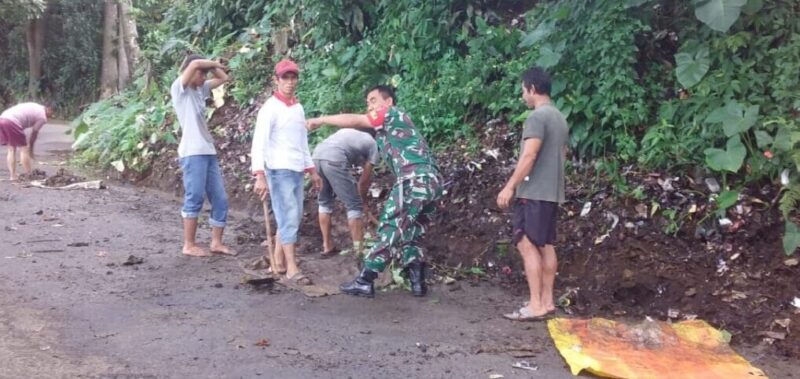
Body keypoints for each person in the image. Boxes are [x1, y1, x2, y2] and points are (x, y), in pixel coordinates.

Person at [307, 85, 443, 298]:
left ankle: (365, 280)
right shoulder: (386, 134)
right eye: (368, 102)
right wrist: (364, 203)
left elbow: (357, 120)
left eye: (373, 100)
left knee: (390, 228)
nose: (369, 106)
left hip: (414, 179)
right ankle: (418, 282)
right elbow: (365, 179)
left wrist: (321, 119)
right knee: (412, 231)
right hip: (432, 182)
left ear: (388, 102)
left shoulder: (392, 113)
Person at [496, 67, 569, 321]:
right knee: (545, 245)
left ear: (532, 88)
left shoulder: (537, 117)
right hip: (552, 192)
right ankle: (547, 301)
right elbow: (562, 154)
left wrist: (510, 186)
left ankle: (536, 304)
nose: (522, 96)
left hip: (534, 192)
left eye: (523, 90)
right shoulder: (559, 117)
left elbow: (530, 155)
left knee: (526, 243)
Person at [251, 59, 317, 284]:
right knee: (288, 216)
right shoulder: (269, 109)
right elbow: (259, 144)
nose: (290, 82)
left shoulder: (298, 108)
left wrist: (312, 170)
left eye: (293, 77)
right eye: (285, 78)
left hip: (296, 169)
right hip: (278, 170)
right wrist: (260, 175)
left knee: (292, 217)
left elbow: (302, 142)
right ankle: (292, 268)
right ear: (276, 80)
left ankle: (278, 261)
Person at [170, 54, 234, 257]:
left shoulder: (201, 89)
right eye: (201, 74)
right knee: (195, 196)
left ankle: (216, 243)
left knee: (220, 198)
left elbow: (224, 78)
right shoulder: (180, 89)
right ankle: (189, 245)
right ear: (191, 72)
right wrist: (214, 63)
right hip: (192, 152)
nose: (204, 78)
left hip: (208, 151)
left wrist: (212, 67)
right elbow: (195, 63)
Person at [311, 128, 379, 257]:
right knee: (354, 205)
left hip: (316, 157)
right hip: (334, 159)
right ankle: (359, 251)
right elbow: (364, 181)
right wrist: (363, 202)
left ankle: (327, 246)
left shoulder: (347, 133)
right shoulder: (373, 144)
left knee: (324, 202)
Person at [0, 102, 54, 180]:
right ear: (49, 109)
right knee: (24, 149)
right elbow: (34, 131)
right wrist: (31, 149)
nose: (52, 116)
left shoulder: (38, 107)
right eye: (52, 113)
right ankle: (29, 175)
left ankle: (13, 175)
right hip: (12, 121)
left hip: (2, 118)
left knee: (11, 149)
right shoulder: (42, 117)